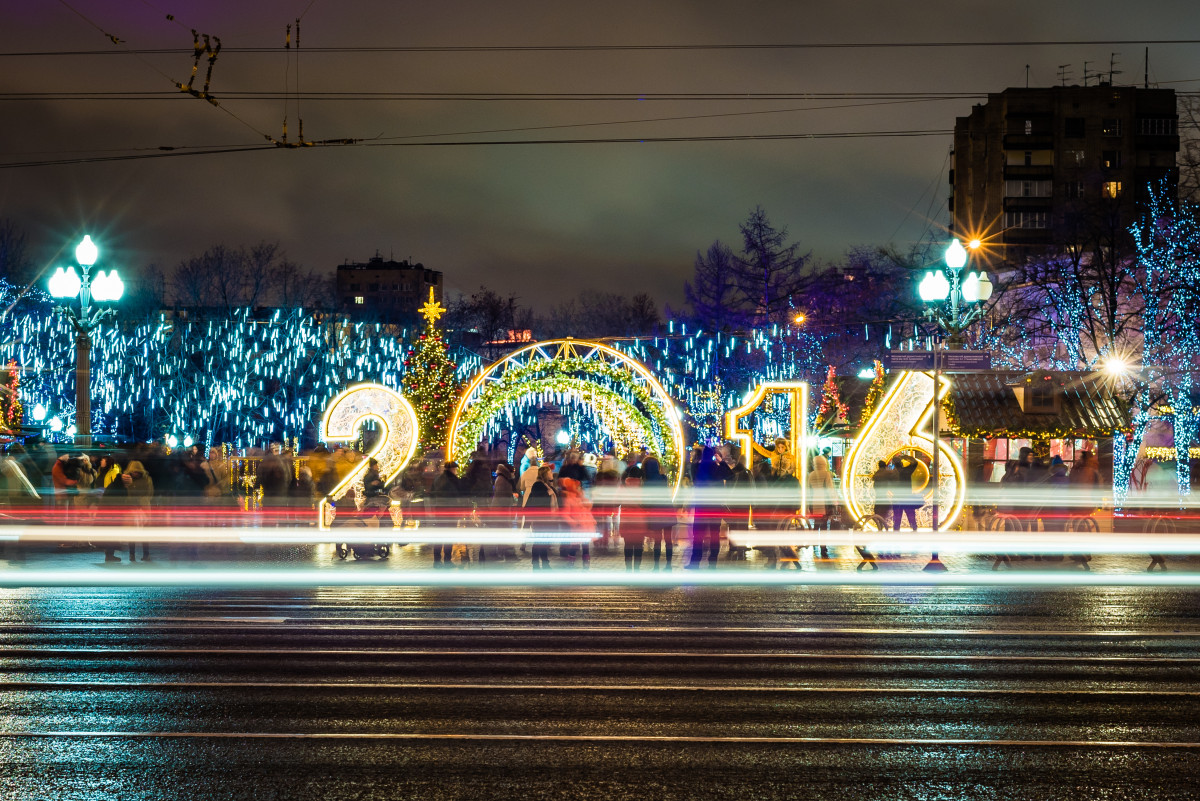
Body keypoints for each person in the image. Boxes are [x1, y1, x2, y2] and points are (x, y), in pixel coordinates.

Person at [687, 445, 730, 568]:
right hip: (715, 507)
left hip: (701, 506)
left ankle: (695, 562)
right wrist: (721, 462)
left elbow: (693, 472)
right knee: (715, 535)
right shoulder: (716, 468)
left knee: (698, 535)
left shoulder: (697, 467)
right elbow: (729, 475)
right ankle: (712, 563)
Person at [523, 464, 558, 569]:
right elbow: (540, 499)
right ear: (545, 474)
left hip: (547, 519)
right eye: (550, 472)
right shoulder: (538, 485)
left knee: (544, 542)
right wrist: (549, 492)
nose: (552, 473)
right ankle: (537, 564)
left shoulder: (546, 485)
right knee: (539, 542)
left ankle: (544, 562)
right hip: (540, 518)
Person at [430, 461, 463, 567]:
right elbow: (459, 495)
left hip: (438, 511)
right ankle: (447, 560)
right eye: (455, 469)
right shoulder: (454, 480)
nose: (456, 471)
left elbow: (431, 494)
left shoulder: (437, 479)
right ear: (452, 469)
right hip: (451, 512)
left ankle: (437, 561)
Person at [558, 476, 595, 569]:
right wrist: (574, 522)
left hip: (586, 525)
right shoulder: (569, 499)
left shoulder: (581, 497)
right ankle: (571, 563)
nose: (579, 488)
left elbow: (588, 507)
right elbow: (565, 514)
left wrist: (584, 498)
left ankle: (586, 564)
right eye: (577, 487)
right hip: (578, 527)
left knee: (585, 546)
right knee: (574, 546)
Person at [618, 466, 649, 571]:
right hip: (639, 520)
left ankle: (628, 569)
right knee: (638, 545)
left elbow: (617, 501)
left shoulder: (622, 487)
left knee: (628, 544)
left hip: (626, 520)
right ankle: (636, 569)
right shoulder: (642, 487)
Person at [892, 454, 920, 531]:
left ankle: (896, 531)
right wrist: (905, 457)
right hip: (907, 497)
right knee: (911, 515)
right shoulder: (907, 471)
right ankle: (914, 529)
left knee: (897, 517)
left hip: (897, 498)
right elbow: (915, 463)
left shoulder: (893, 473)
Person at [871, 459, 896, 528]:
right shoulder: (887, 472)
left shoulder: (877, 472)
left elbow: (873, 478)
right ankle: (883, 521)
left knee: (878, 507)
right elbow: (893, 478)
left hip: (878, 492)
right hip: (884, 492)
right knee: (886, 507)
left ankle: (879, 521)